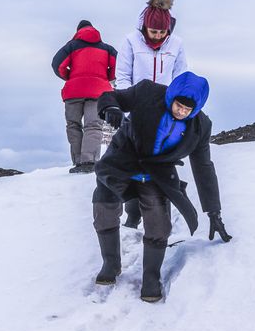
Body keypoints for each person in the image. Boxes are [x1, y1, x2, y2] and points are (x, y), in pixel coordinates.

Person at [92, 71, 232, 303]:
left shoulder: (200, 126)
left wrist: (214, 211)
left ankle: (151, 277)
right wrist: (111, 108)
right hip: (121, 161)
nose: (182, 111)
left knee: (159, 224)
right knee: (104, 207)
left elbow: (203, 167)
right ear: (172, 96)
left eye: (188, 110)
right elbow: (111, 96)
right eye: (179, 105)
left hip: (156, 172)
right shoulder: (147, 92)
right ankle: (111, 263)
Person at [116, 0, 188, 227]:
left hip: (164, 113)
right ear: (145, 26)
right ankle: (133, 212)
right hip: (136, 110)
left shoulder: (176, 44)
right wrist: (130, 106)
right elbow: (123, 76)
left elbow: (181, 78)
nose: (157, 36)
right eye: (153, 31)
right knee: (134, 162)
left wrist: (178, 109)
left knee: (161, 162)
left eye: (162, 32)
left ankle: (161, 215)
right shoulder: (130, 41)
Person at [51, 20, 118, 174]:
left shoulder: (71, 46)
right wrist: (104, 78)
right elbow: (118, 66)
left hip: (74, 91)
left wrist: (70, 77)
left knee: (73, 125)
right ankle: (90, 161)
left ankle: (78, 162)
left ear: (78, 31)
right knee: (93, 125)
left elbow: (57, 64)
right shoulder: (107, 49)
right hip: (98, 92)